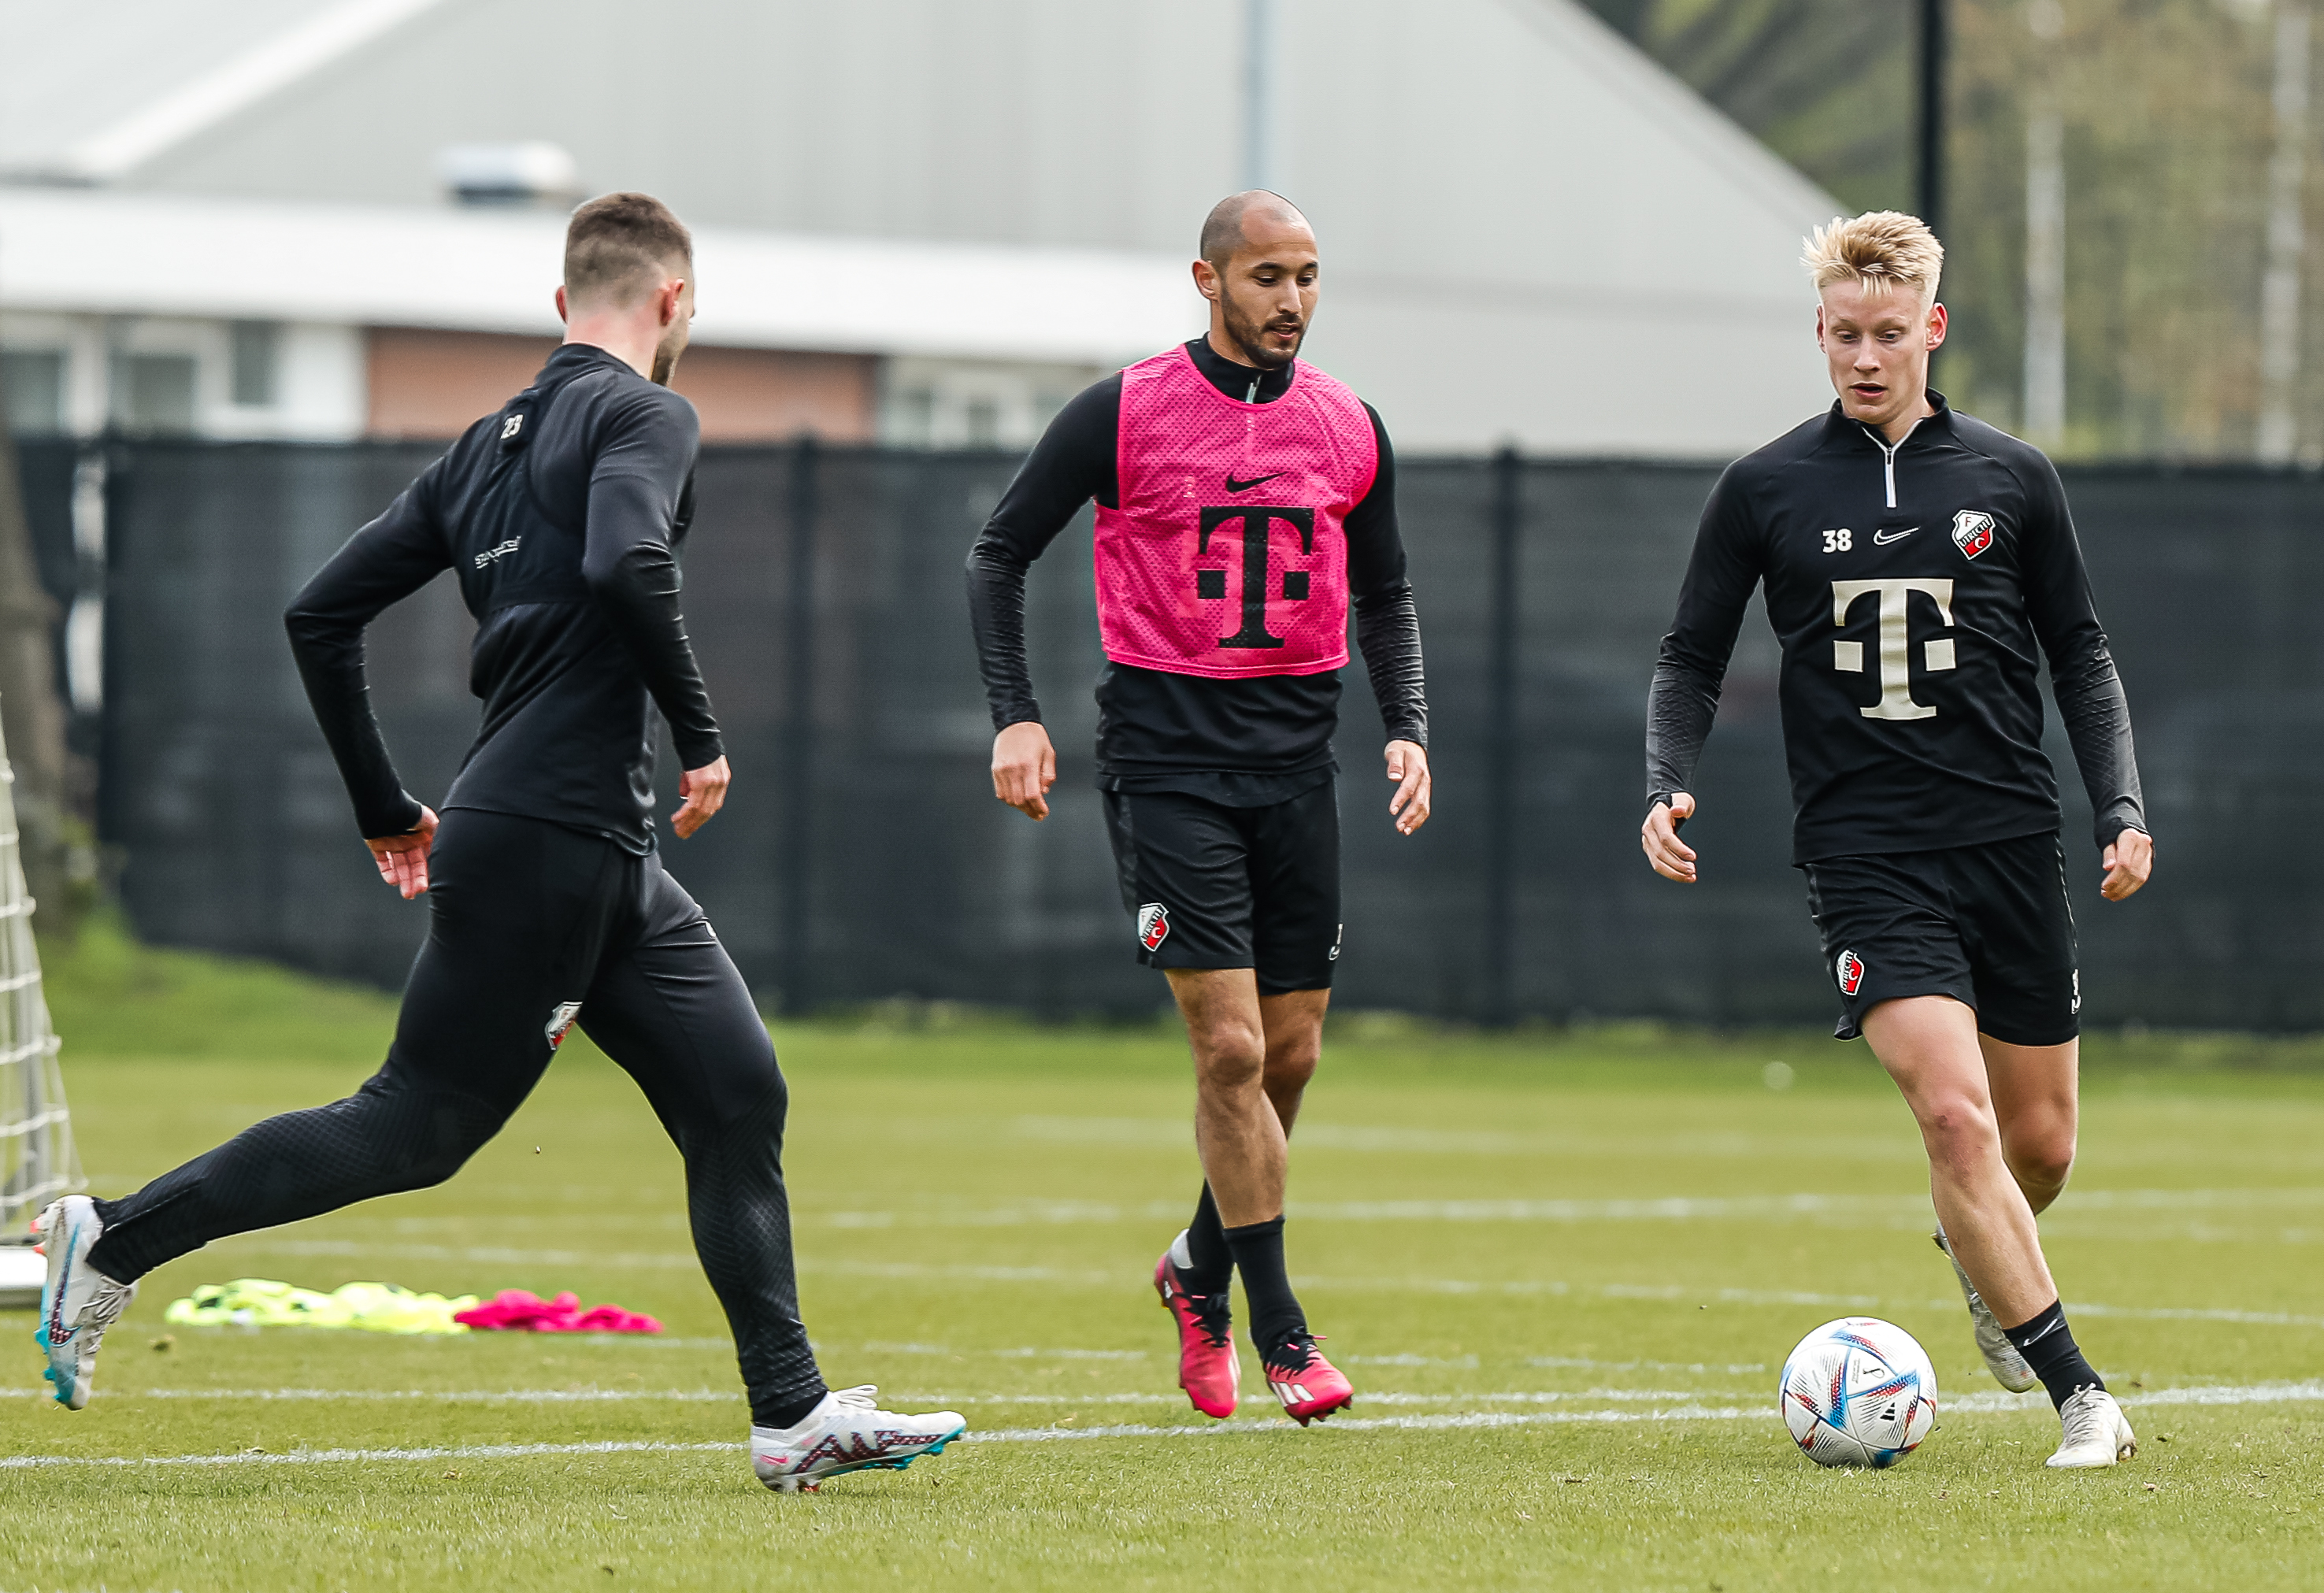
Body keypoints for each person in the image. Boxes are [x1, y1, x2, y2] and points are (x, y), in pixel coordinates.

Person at [34, 193, 966, 1492]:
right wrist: (702, 736)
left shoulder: (481, 449)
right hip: (547, 834)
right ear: (675, 301)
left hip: (589, 843)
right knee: (413, 1129)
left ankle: (791, 1414)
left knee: (738, 1096)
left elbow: (317, 615)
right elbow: (628, 560)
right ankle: (114, 1238)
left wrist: (381, 803)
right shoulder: (649, 413)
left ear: (561, 302)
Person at [1640, 211, 2152, 1471]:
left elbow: (2080, 656)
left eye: (1886, 334)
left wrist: (2121, 807)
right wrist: (1664, 781)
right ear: (1816, 334)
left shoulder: (2011, 478)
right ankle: (2082, 1399)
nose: (1863, 358)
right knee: (1955, 1123)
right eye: (1841, 336)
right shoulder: (1763, 488)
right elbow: (1688, 657)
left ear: (1932, 328)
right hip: (1865, 856)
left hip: (2008, 842)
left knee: (2040, 1149)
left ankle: (1976, 1253)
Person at [968, 191, 1430, 1424]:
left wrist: (1406, 725)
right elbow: (997, 552)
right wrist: (1016, 715)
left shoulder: (1349, 426)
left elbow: (1384, 592)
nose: (1291, 299)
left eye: (1308, 276)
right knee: (1228, 1051)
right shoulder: (1121, 411)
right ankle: (1281, 1333)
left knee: (1291, 1057)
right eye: (1268, 275)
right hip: (1167, 767)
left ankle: (1192, 1265)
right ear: (1208, 279)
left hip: (1296, 768)